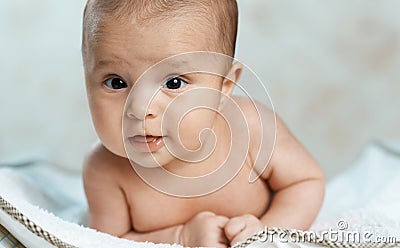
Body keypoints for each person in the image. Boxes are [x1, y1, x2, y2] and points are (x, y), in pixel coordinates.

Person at [81, 0, 325, 247]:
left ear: (224, 88)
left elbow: (305, 183)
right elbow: (108, 242)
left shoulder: (252, 129)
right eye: (116, 82)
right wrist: (180, 238)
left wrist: (268, 232)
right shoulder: (105, 171)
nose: (140, 109)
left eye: (173, 83)